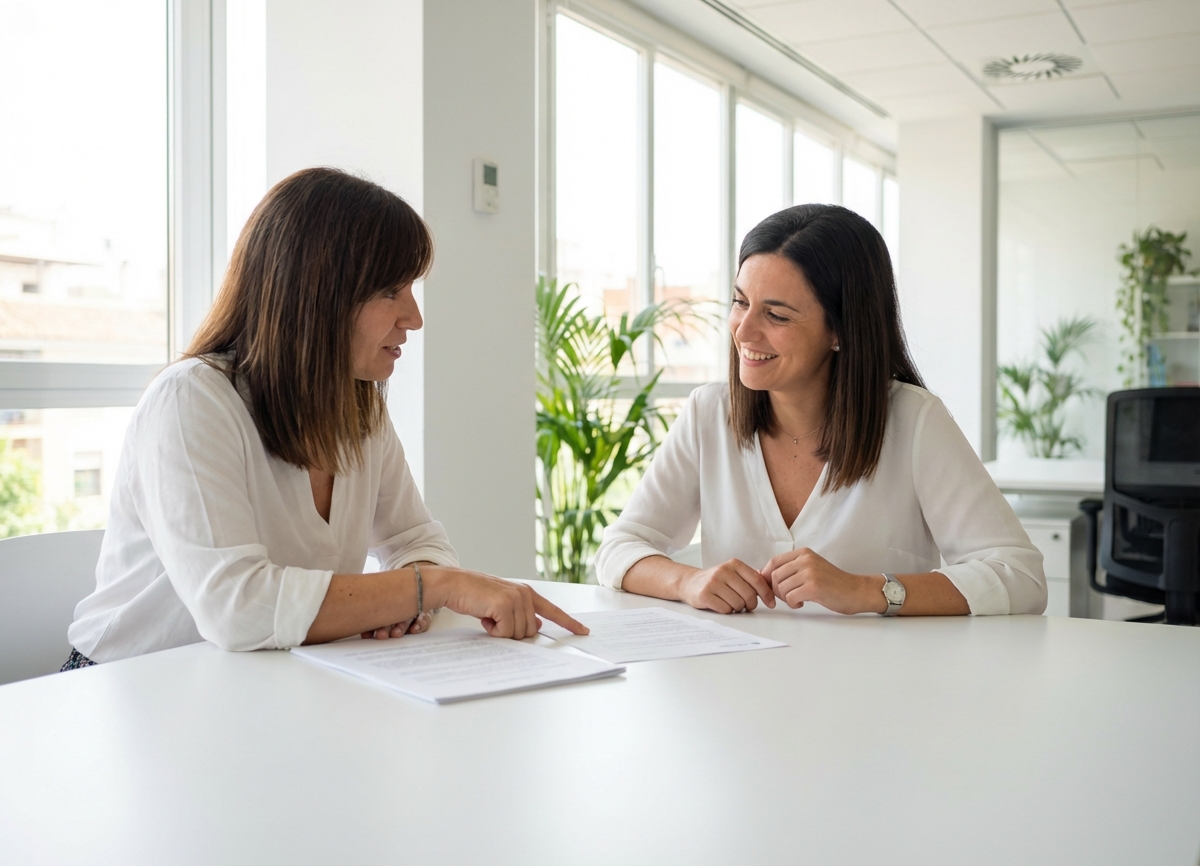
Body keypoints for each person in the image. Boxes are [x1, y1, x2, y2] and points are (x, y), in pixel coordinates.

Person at [65, 168, 585, 669]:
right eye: (391, 291)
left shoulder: (360, 409)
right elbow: (237, 608)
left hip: (263, 684)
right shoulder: (190, 402)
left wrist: (404, 601)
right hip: (124, 693)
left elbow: (416, 541)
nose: (415, 318)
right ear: (315, 294)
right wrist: (431, 588)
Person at [595, 204, 1045, 617]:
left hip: (878, 692)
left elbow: (1021, 577)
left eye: (777, 315)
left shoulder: (914, 421)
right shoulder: (709, 412)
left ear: (841, 331)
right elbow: (619, 547)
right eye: (740, 302)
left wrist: (866, 590)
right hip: (736, 687)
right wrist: (687, 581)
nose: (744, 331)